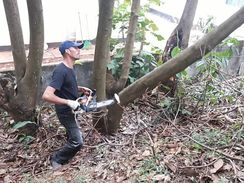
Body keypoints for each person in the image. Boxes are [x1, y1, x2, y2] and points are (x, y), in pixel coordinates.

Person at [42, 40, 89, 169]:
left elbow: (64, 86)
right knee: (77, 141)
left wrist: (80, 88)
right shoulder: (60, 70)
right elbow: (47, 95)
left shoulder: (70, 68)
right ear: (68, 51)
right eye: (76, 48)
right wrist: (68, 102)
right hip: (65, 111)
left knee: (72, 135)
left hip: (72, 109)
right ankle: (57, 159)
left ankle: (67, 154)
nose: (79, 50)